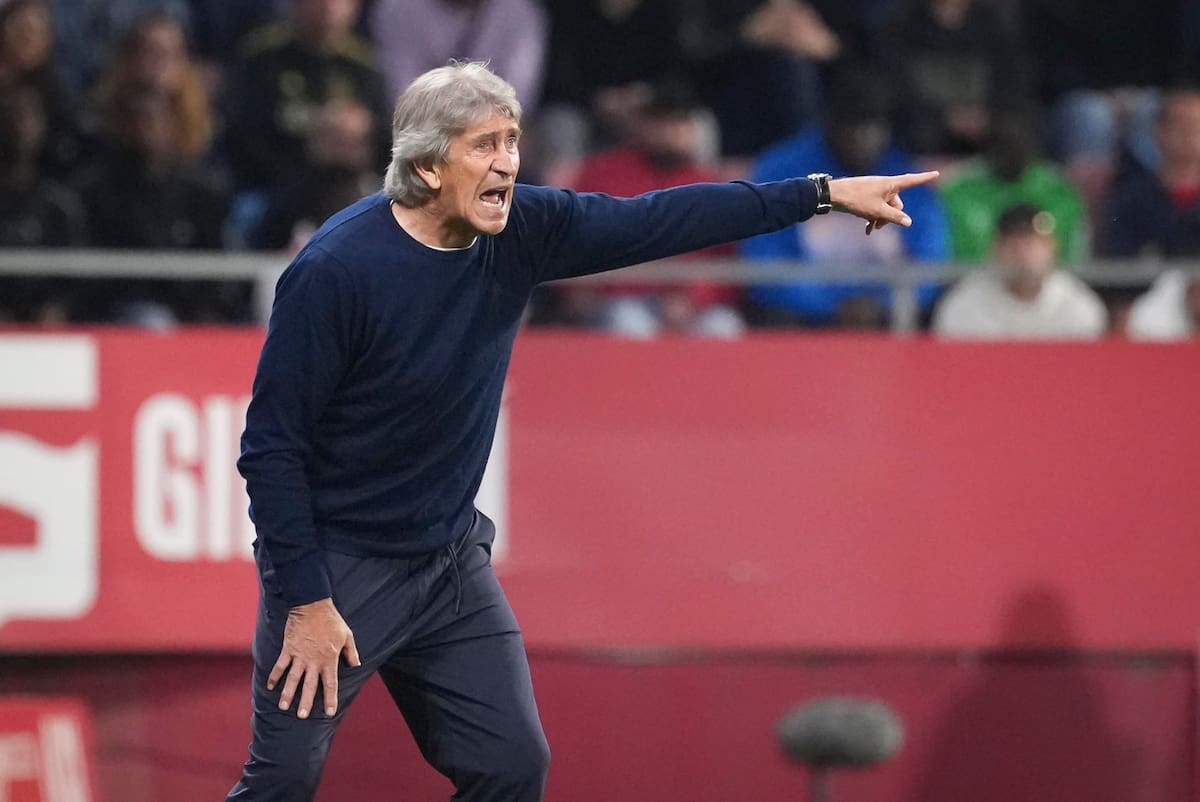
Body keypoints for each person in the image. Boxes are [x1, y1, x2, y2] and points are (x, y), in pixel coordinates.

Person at [226, 61, 937, 802]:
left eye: (512, 140)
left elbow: (662, 219)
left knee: (511, 767)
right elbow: (271, 448)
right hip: (341, 572)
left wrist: (818, 195)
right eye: (484, 146)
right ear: (429, 166)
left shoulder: (522, 227)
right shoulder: (336, 271)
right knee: (281, 782)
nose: (507, 161)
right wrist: (306, 601)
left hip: (445, 565)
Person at [740, 66, 948, 328]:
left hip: (884, 320)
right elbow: (763, 261)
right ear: (831, 123)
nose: (862, 139)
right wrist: (831, 305)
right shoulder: (780, 171)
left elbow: (930, 263)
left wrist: (881, 305)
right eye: (852, 127)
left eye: (872, 127)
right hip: (802, 319)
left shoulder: (907, 178)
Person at [933, 204, 1106, 339]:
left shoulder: (1079, 306)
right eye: (1013, 243)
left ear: (1053, 247)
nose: (1022, 253)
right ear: (996, 247)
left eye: (1031, 243)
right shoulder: (964, 305)